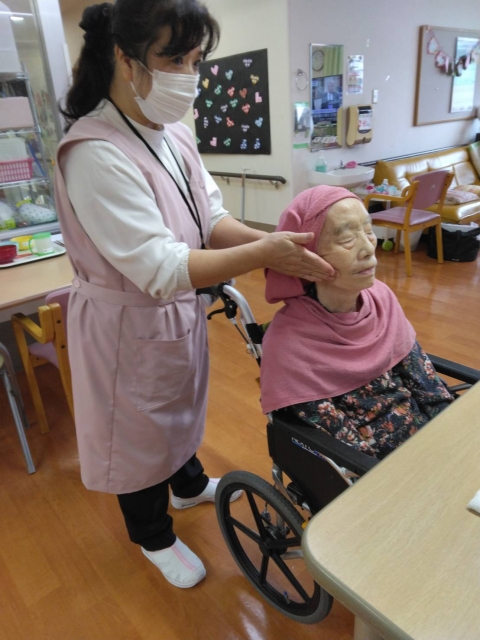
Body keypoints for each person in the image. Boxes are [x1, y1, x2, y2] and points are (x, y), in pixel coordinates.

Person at [55, 0, 335, 589]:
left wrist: (274, 244)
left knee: (178, 406)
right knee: (136, 432)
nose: (189, 74)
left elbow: (210, 218)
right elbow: (159, 266)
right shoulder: (94, 152)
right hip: (126, 325)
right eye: (174, 59)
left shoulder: (174, 136)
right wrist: (264, 254)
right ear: (125, 59)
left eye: (196, 60)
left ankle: (185, 485)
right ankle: (153, 535)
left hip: (175, 311)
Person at [260, 186, 453, 460]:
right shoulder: (288, 344)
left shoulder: (381, 298)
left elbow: (427, 387)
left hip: (433, 442)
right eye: (347, 237)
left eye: (369, 230)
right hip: (382, 468)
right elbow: (352, 457)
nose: (368, 248)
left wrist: (455, 434)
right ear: (306, 256)